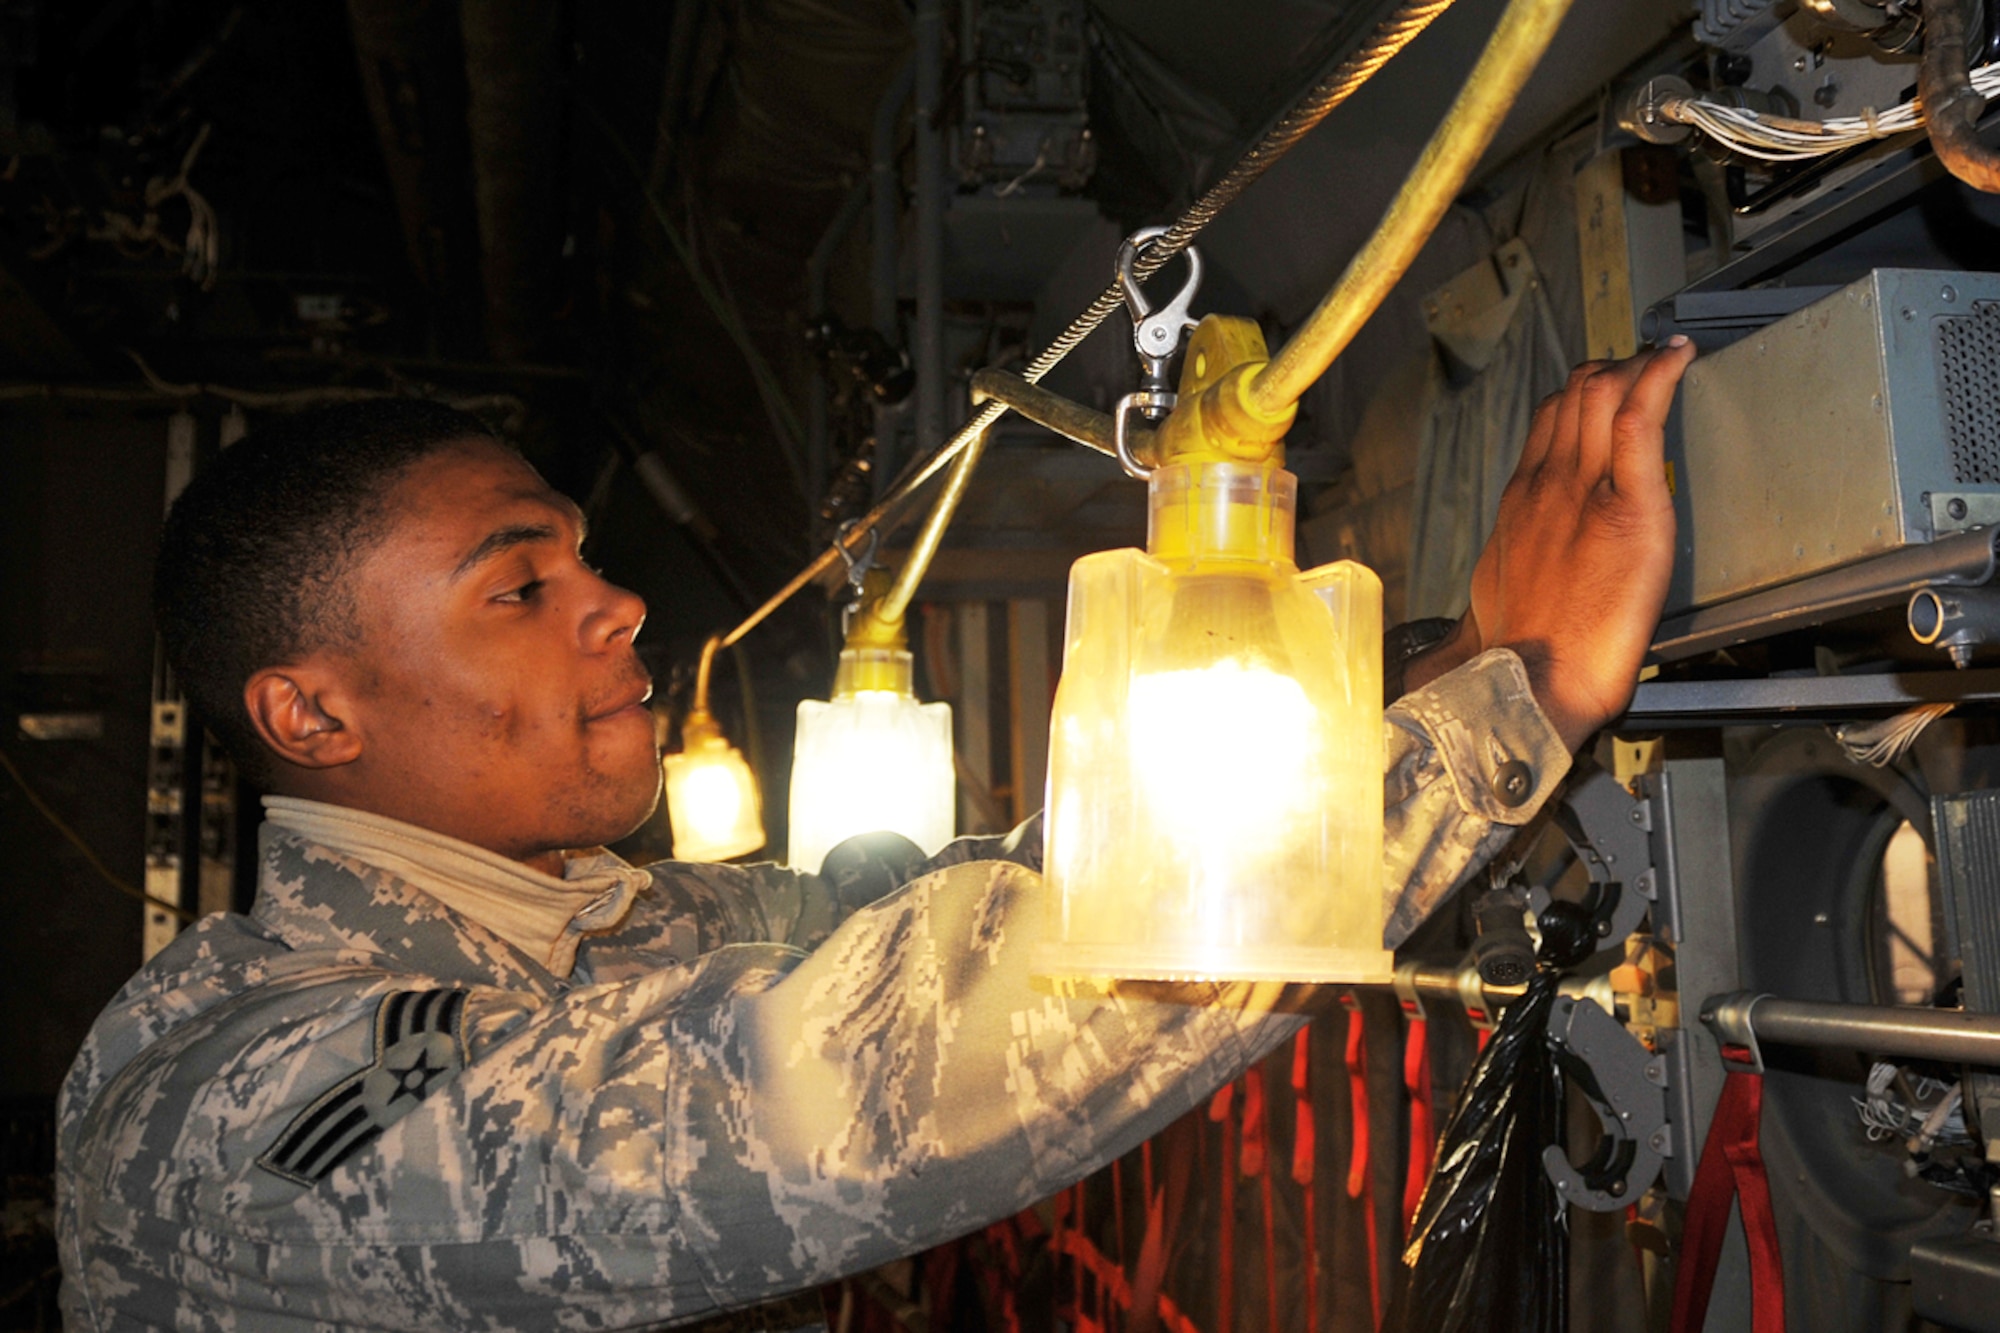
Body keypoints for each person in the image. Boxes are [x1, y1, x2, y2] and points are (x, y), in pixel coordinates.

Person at [57, 340, 1697, 1332]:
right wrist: (1509, 706)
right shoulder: (239, 1098)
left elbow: (966, 896)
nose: (616, 600)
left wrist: (1434, 664)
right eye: (519, 586)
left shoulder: (621, 928)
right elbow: (833, 1088)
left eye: (585, 557)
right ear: (314, 716)